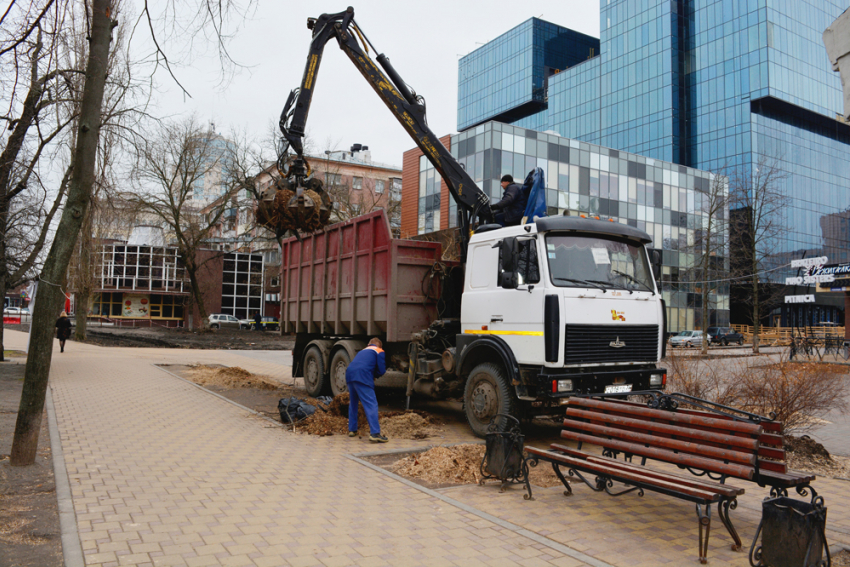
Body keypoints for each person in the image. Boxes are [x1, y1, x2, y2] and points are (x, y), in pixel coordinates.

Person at [345, 337, 387, 442]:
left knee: (353, 403)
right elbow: (382, 370)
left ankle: (352, 429)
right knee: (371, 404)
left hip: (350, 375)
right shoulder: (378, 351)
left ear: (369, 344)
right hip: (363, 376)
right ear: (378, 345)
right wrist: (373, 375)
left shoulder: (362, 351)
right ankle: (375, 433)